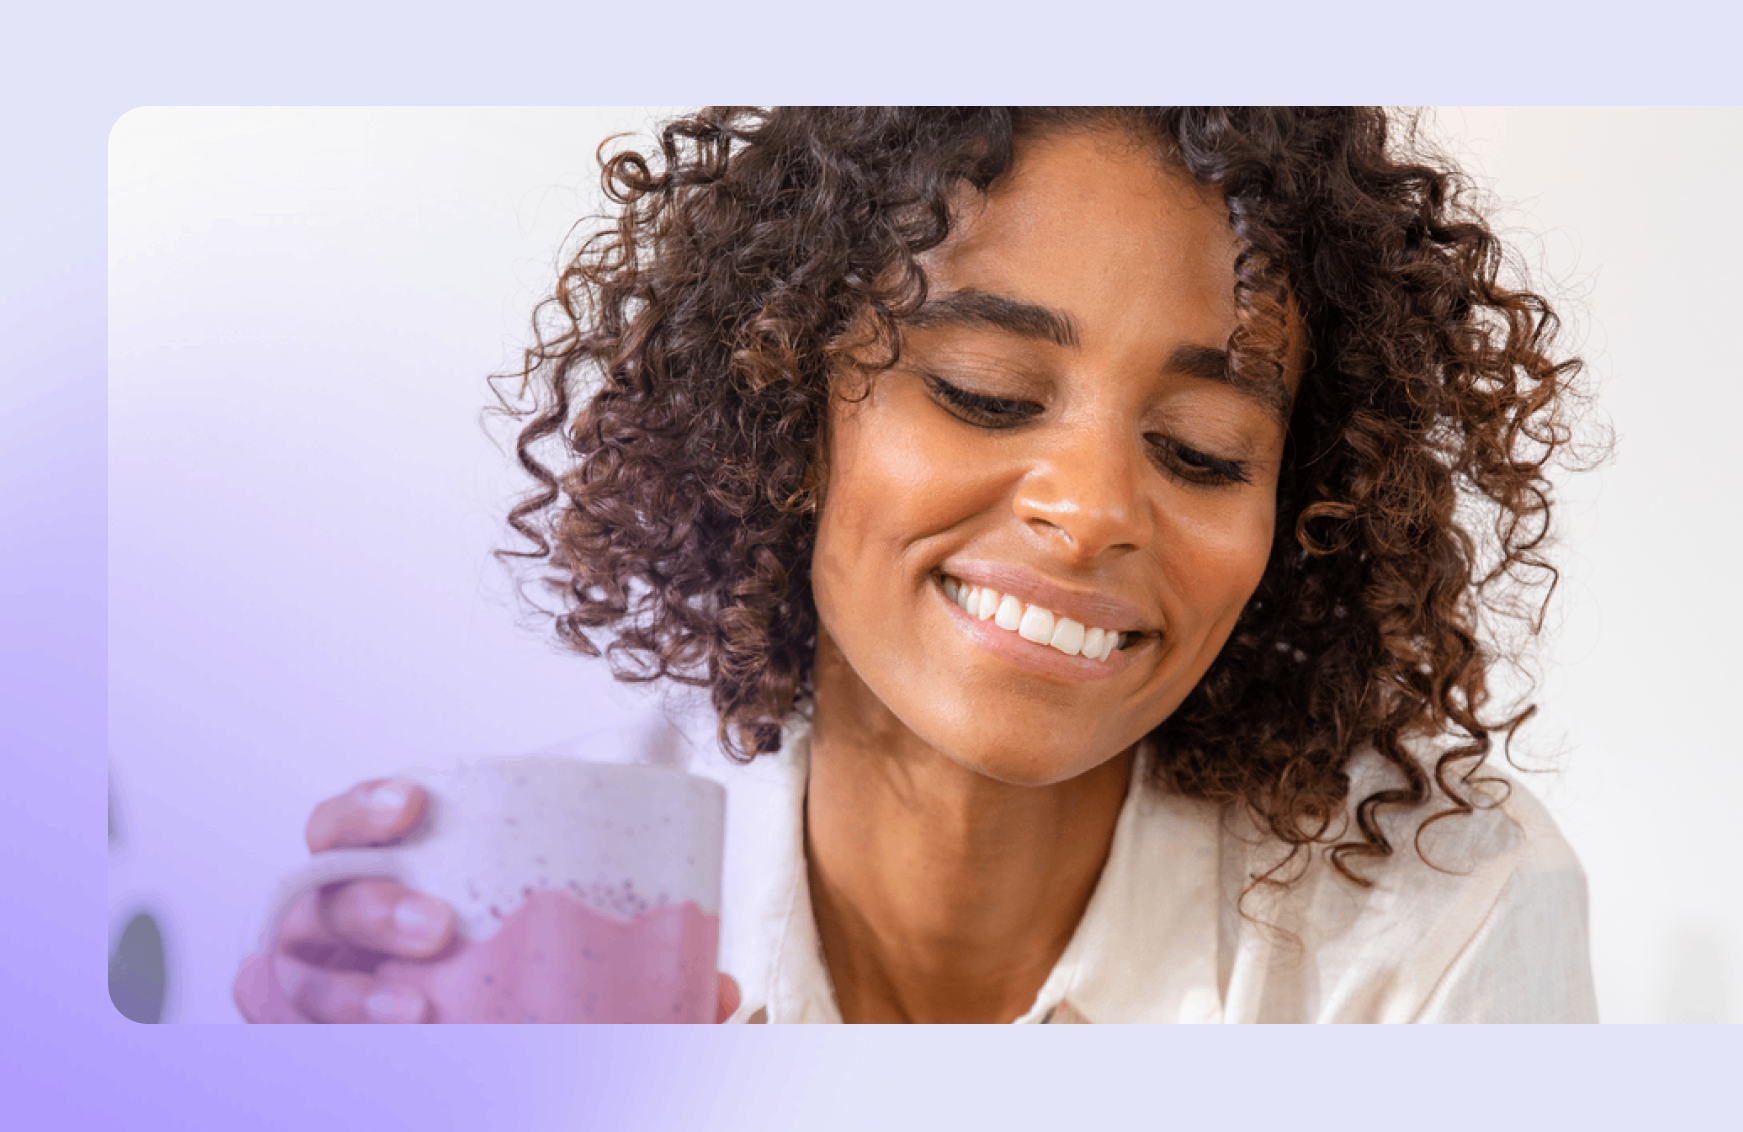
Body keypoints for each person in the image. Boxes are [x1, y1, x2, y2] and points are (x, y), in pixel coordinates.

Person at [234, 107, 1596, 1024]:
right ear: (786, 402)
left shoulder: (1430, 919)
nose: (1089, 512)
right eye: (985, 392)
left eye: (1199, 451)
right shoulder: (572, 882)